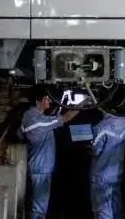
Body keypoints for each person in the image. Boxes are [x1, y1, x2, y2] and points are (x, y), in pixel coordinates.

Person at [19, 85, 78, 219]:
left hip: (40, 167)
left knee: (38, 204)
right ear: (37, 100)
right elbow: (65, 118)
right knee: (39, 207)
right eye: (47, 99)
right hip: (41, 169)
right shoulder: (38, 122)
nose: (49, 101)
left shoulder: (31, 116)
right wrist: (83, 105)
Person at [90, 110, 125, 219]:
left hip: (102, 175)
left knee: (103, 209)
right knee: (116, 206)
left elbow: (96, 150)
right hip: (117, 172)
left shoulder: (101, 127)